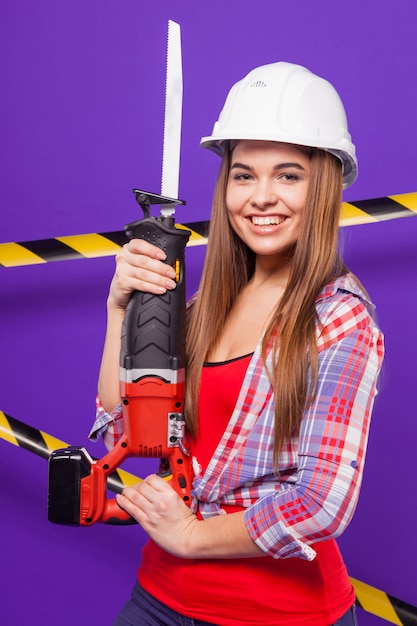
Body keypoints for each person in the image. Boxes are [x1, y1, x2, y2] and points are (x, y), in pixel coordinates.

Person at [89, 62, 384, 625]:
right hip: (159, 600)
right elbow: (128, 430)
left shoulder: (341, 320)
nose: (261, 196)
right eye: (244, 175)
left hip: (281, 613)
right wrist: (119, 313)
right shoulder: (206, 304)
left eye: (288, 175)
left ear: (324, 187)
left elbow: (323, 502)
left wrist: (192, 538)